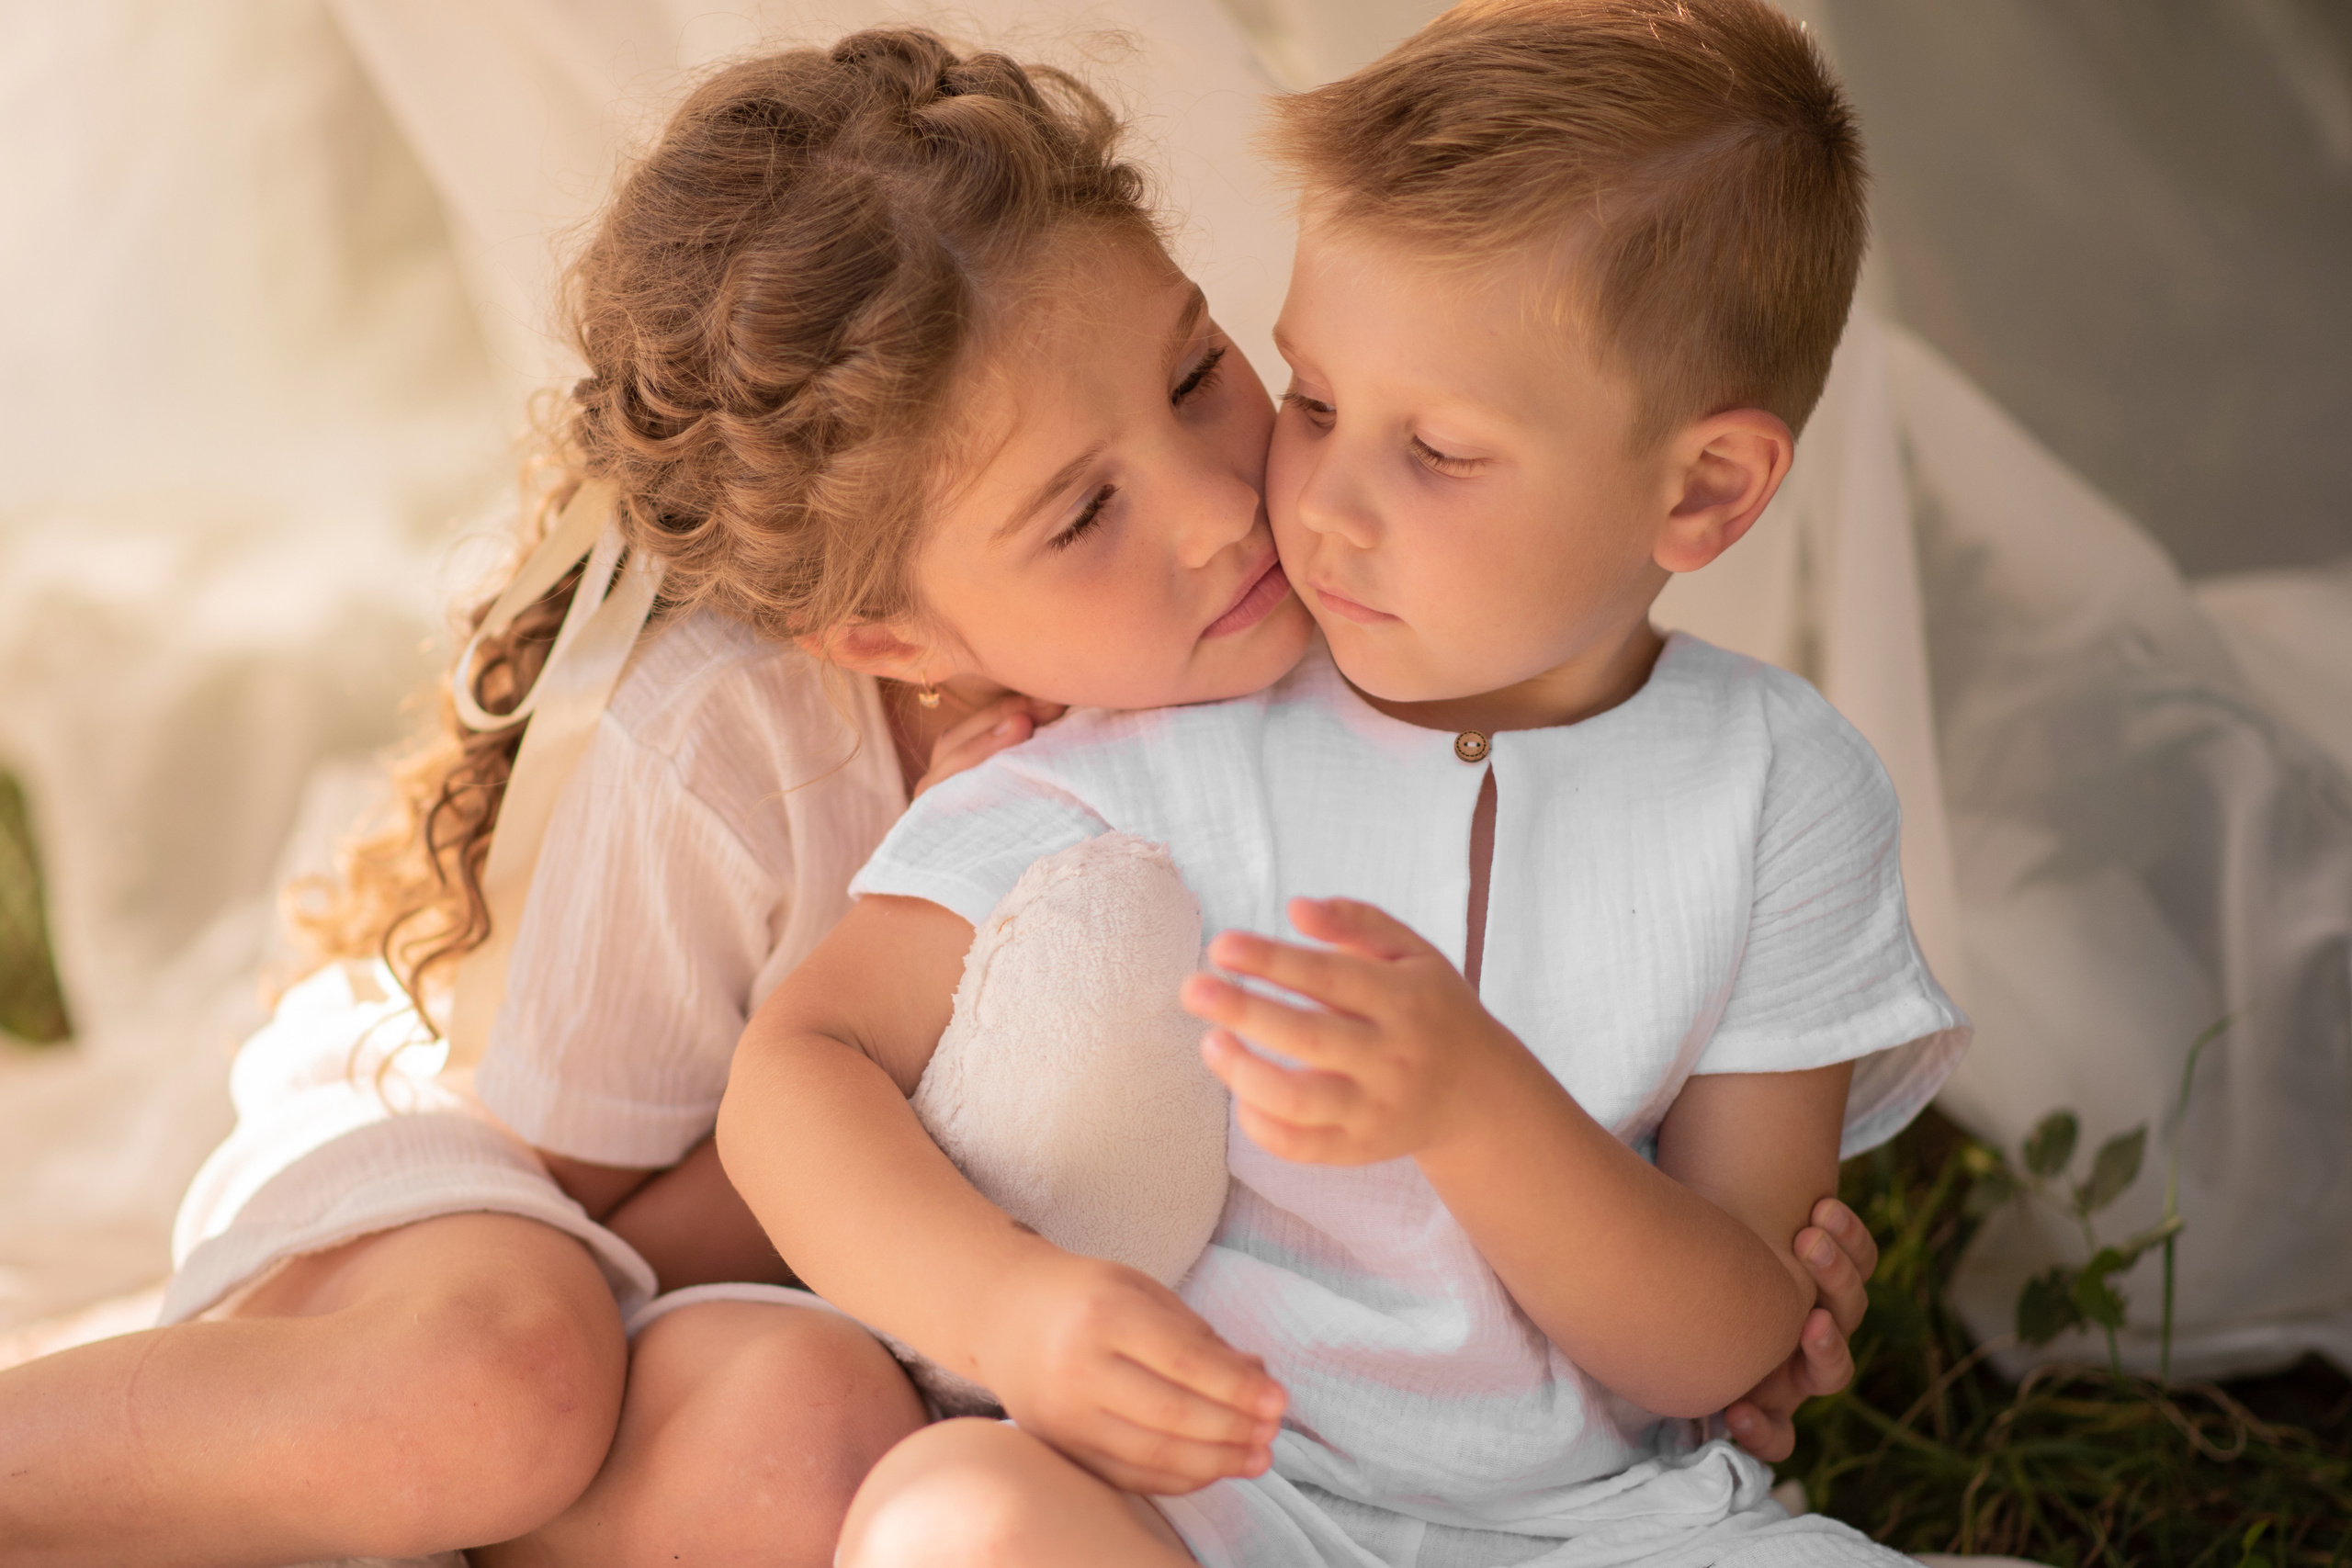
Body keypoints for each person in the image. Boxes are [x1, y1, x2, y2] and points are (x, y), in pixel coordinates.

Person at [0, 24, 1866, 1568]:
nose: (1226, 508)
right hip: (544, 1213)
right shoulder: (721, 750)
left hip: (892, 1316)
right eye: (1082, 509)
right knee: (500, 1396)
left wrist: (1734, 1273)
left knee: (811, 1449)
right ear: (888, 636)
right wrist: (968, 1191)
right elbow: (618, 1226)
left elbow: (1558, 926)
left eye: (1201, 376)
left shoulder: (1329, 606)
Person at [717, 2, 1967, 1565]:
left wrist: (1475, 1105)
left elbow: (1732, 1342)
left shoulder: (1781, 788)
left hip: (1608, 1526)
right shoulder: (1159, 725)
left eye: (1436, 451)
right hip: (1223, 1505)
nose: (1317, 509)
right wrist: (1010, 1311)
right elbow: (802, 1067)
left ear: (1703, 490)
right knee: (954, 1519)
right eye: (1311, 400)